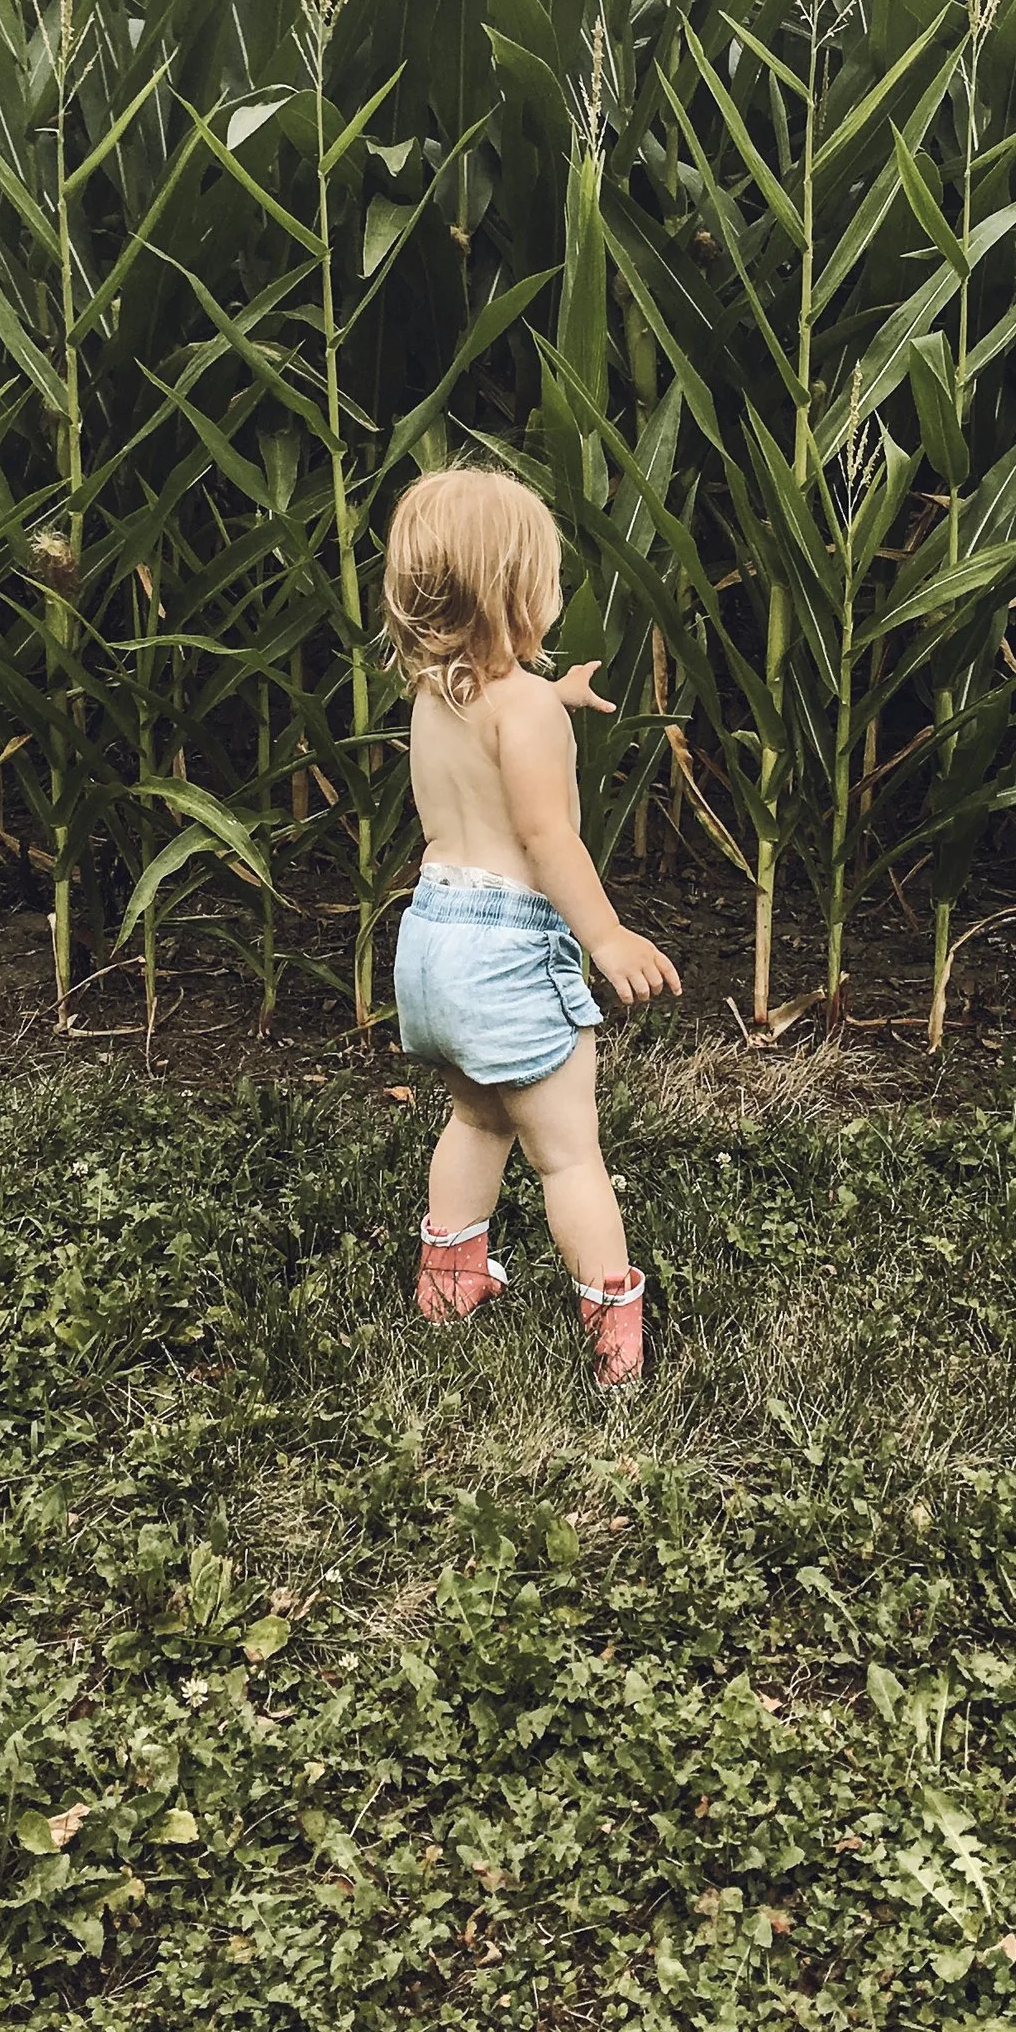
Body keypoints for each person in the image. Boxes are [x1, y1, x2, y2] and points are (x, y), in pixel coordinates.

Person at [381, 466, 682, 1386]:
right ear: (519, 592)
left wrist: (564, 693)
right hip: (508, 951)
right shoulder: (525, 718)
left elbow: (500, 709)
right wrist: (610, 938)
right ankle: (614, 1335)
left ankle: (449, 1283)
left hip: (431, 946)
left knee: (476, 1116)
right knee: (567, 1153)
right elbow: (548, 842)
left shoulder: (439, 696)